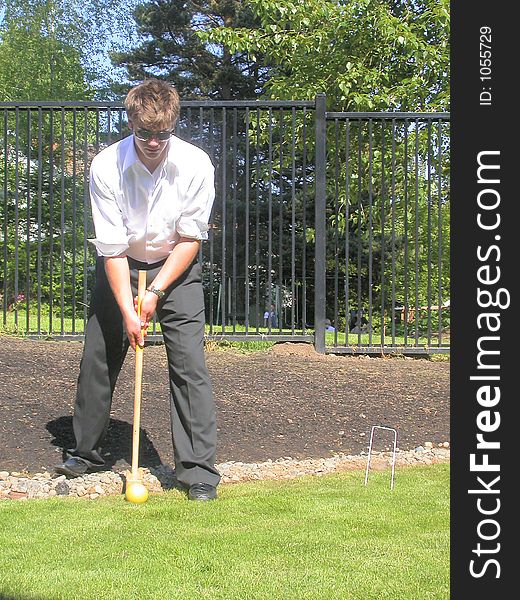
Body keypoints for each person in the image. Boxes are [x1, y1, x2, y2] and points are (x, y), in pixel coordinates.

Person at [55, 79, 220, 501]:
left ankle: (197, 471)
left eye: (161, 134)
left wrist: (155, 292)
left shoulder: (196, 164)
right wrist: (129, 311)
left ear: (173, 125)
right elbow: (111, 248)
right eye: (143, 133)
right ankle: (86, 452)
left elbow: (190, 239)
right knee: (99, 354)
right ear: (130, 122)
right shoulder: (106, 166)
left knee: (189, 364)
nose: (152, 142)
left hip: (176, 267)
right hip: (121, 263)